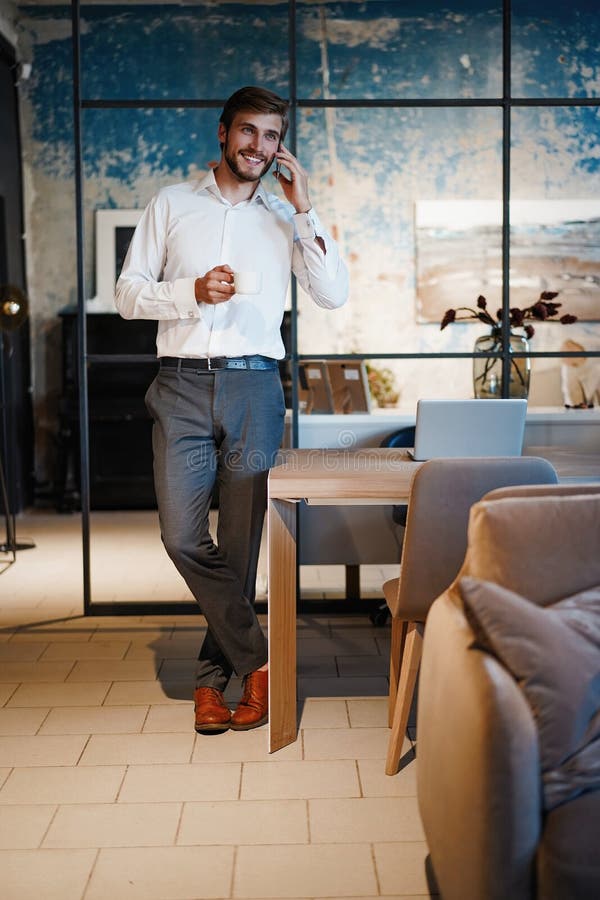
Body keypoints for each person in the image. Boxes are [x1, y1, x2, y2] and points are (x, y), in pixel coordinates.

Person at [115, 86, 348, 733]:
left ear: (281, 147)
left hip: (253, 391)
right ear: (223, 133)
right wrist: (188, 292)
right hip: (181, 387)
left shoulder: (283, 215)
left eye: (271, 136)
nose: (259, 146)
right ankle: (261, 660)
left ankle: (212, 684)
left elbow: (332, 294)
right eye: (248, 132)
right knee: (182, 536)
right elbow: (127, 295)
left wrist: (307, 211)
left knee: (242, 547)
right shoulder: (172, 203)